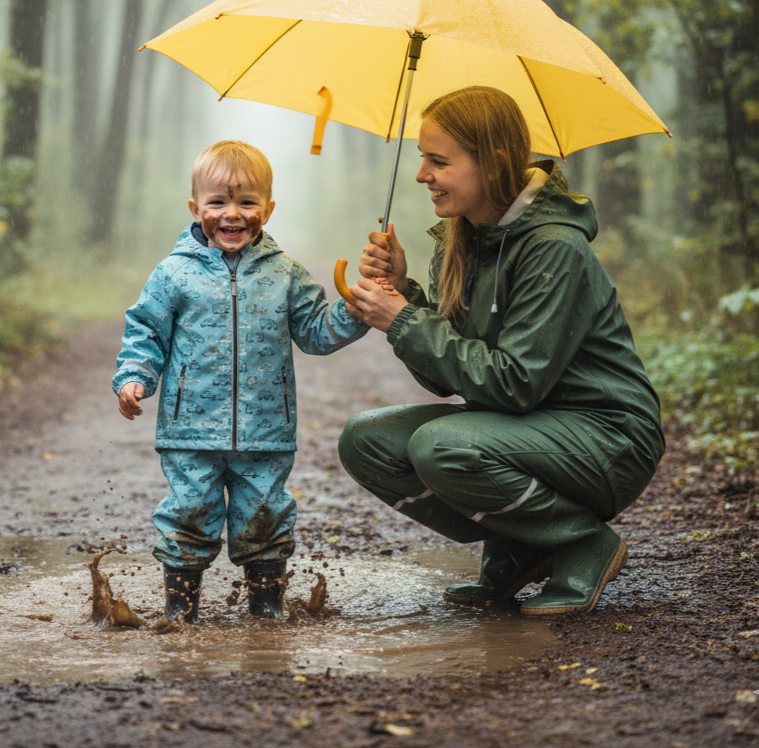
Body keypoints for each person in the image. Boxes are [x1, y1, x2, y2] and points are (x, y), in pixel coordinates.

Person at [339, 86, 664, 617]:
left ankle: (581, 541)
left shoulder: (554, 247)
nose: (422, 174)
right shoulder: (468, 236)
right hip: (532, 429)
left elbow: (513, 385)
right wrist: (408, 296)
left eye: (438, 161)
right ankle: (522, 542)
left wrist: (403, 321)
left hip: (607, 437)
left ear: (492, 163)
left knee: (442, 445)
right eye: (422, 159)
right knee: (367, 441)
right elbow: (448, 378)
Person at [113, 140, 369, 622]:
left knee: (264, 516)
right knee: (189, 513)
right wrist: (134, 377)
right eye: (218, 203)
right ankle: (179, 609)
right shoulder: (173, 274)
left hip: (266, 431)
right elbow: (146, 331)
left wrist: (357, 309)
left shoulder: (286, 274)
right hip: (190, 430)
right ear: (195, 208)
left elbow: (315, 331)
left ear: (268, 210)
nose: (232, 214)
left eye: (247, 203)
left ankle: (266, 607)